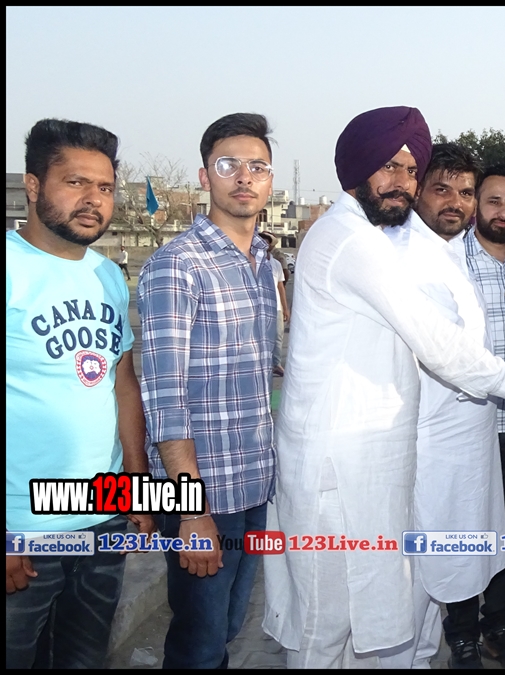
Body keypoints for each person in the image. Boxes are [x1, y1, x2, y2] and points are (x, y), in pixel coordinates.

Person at [263, 106, 505, 669]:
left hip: (376, 458)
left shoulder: (385, 237)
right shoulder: (348, 238)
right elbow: (436, 340)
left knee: (380, 610)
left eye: (411, 170)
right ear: (357, 167)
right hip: (335, 463)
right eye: (389, 166)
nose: (401, 183)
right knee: (324, 623)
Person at [6, 119, 152, 669]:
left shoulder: (107, 276)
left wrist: (136, 483)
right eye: (76, 182)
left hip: (101, 519)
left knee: (83, 659)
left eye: (105, 187)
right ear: (34, 185)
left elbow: (121, 381)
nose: (94, 199)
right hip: (23, 528)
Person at [138, 113, 279, 669]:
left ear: (269, 181)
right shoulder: (177, 266)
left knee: (225, 630)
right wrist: (191, 511)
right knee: (197, 644)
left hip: (253, 484)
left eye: (257, 167)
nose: (244, 177)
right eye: (228, 165)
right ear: (204, 176)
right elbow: (164, 398)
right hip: (202, 495)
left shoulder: (262, 263)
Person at [381, 142, 505, 668]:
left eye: (465, 192)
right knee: (415, 580)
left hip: (466, 446)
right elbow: (449, 353)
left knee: (443, 579)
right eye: (442, 189)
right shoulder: (403, 255)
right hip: (426, 446)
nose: (455, 202)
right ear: (418, 192)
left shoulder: (453, 251)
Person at [448, 164, 505, 669]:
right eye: (492, 201)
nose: (502, 212)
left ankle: (499, 628)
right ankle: (461, 634)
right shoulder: (449, 258)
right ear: (476, 206)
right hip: (468, 425)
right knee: (465, 531)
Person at [258, 231, 288, 376]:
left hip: (276, 307)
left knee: (278, 336)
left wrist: (285, 308)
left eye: (266, 242)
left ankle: (276, 364)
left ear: (270, 245)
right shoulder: (252, 262)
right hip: (260, 306)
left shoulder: (276, 264)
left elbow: (280, 287)